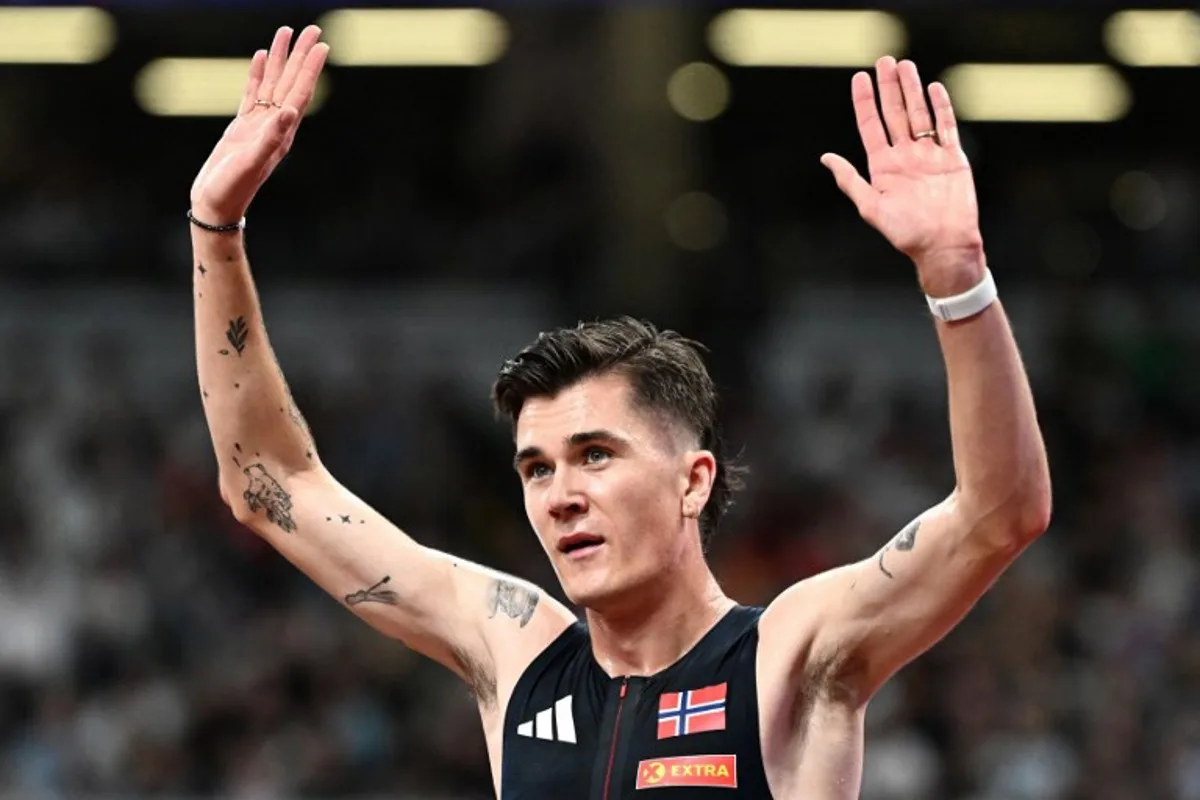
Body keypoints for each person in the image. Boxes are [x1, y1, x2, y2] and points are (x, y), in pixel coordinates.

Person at [188, 25, 1051, 799]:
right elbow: (268, 482)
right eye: (536, 467)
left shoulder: (790, 655)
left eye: (595, 454)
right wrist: (215, 229)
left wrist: (957, 279)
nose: (558, 493)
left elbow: (999, 515)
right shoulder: (514, 651)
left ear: (692, 479)